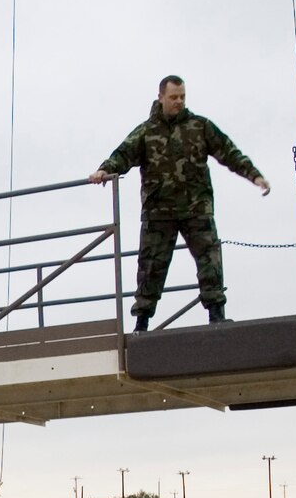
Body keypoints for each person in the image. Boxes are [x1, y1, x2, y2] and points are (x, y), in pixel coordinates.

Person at [88, 75, 270, 331]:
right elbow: (123, 154)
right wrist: (104, 170)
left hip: (197, 208)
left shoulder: (199, 126)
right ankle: (142, 322)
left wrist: (255, 176)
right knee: (150, 267)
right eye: (173, 97)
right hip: (158, 212)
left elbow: (228, 152)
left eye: (182, 96)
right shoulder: (147, 132)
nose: (179, 102)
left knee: (210, 259)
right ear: (161, 97)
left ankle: (216, 314)